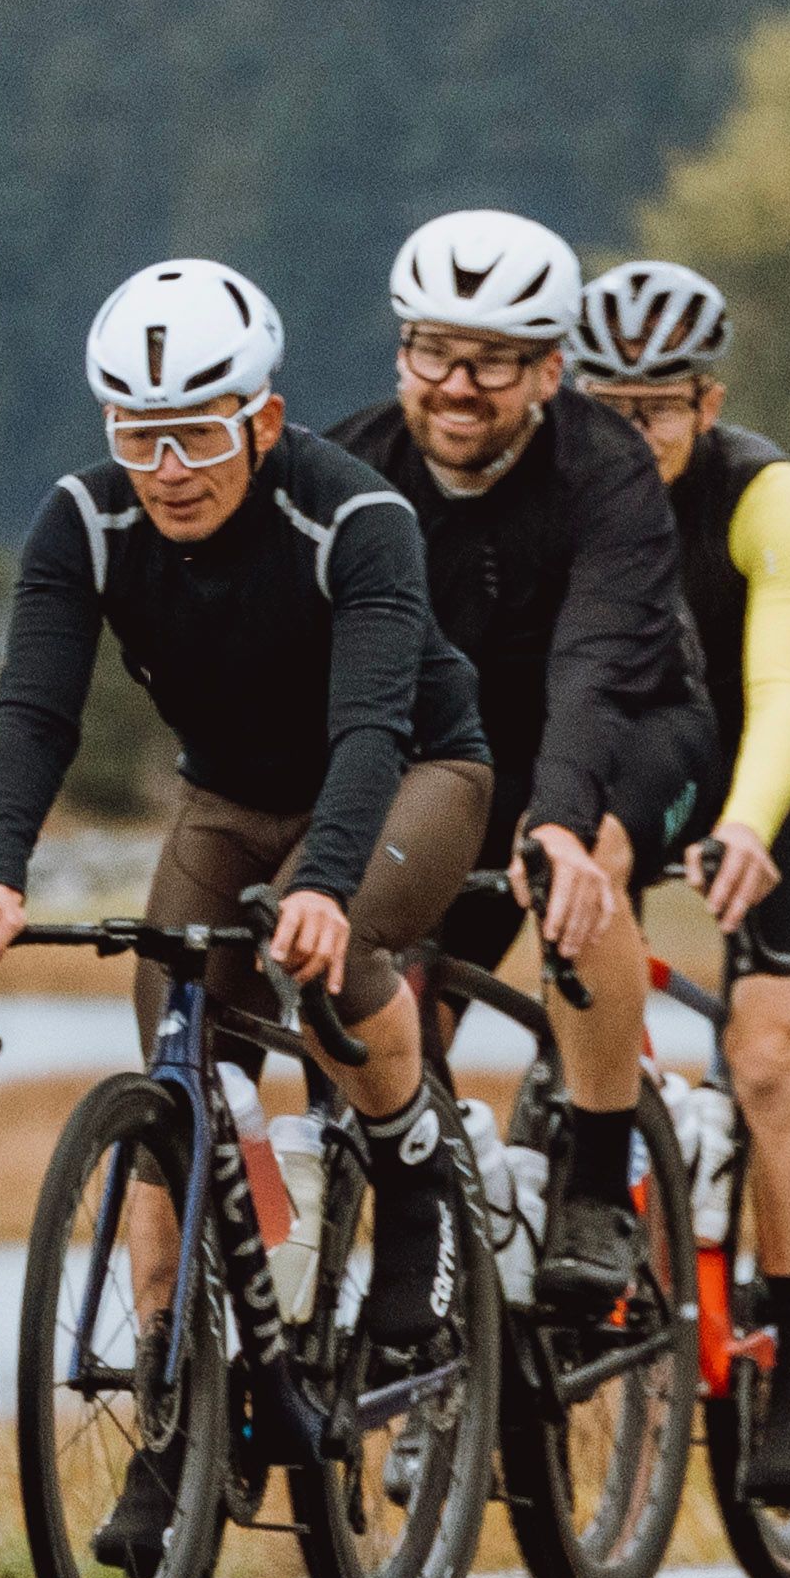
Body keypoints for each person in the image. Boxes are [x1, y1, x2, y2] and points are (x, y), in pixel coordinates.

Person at [0, 259, 493, 1570]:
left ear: (261, 418)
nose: (166, 465)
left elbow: (367, 725)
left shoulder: (352, 515)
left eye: (196, 430)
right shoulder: (81, 523)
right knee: (175, 1100)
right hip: (224, 799)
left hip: (408, 771)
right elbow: (31, 711)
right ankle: (172, 1417)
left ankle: (415, 1177)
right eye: (136, 433)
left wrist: (317, 885)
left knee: (338, 950)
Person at [330, 211, 717, 1308]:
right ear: (403, 352)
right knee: (398, 997)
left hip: (633, 727)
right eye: (435, 351)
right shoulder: (354, 466)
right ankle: (458, 1272)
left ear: (548, 368)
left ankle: (597, 1178)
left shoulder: (607, 472)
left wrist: (556, 821)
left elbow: (591, 672)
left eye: (494, 359)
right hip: (460, 758)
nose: (459, 383)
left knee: (578, 865)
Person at [573, 254, 790, 1500]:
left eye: (663, 409)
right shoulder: (559, 489)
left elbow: (788, 685)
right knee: (576, 943)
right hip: (646, 748)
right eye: (611, 408)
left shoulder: (765, 492)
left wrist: (747, 825)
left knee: (763, 1054)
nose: (637, 435)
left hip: (783, 757)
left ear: (709, 398)